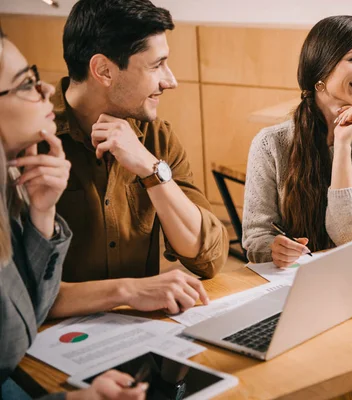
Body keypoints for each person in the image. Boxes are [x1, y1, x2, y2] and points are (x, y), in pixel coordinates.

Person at [43, 0, 229, 319]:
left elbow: (209, 256)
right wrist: (127, 291)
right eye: (156, 65)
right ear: (103, 70)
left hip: (137, 335)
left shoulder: (157, 138)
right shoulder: (29, 140)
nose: (170, 81)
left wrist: (150, 169)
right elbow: (20, 292)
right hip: (47, 345)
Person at [0, 26, 147, 400]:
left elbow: (26, 319)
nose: (46, 89)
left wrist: (42, 213)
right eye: (25, 83)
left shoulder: (13, 184)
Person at [242, 15, 352, 267]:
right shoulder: (269, 143)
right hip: (287, 281)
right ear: (322, 69)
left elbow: (349, 236)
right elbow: (256, 237)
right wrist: (274, 249)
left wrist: (342, 147)